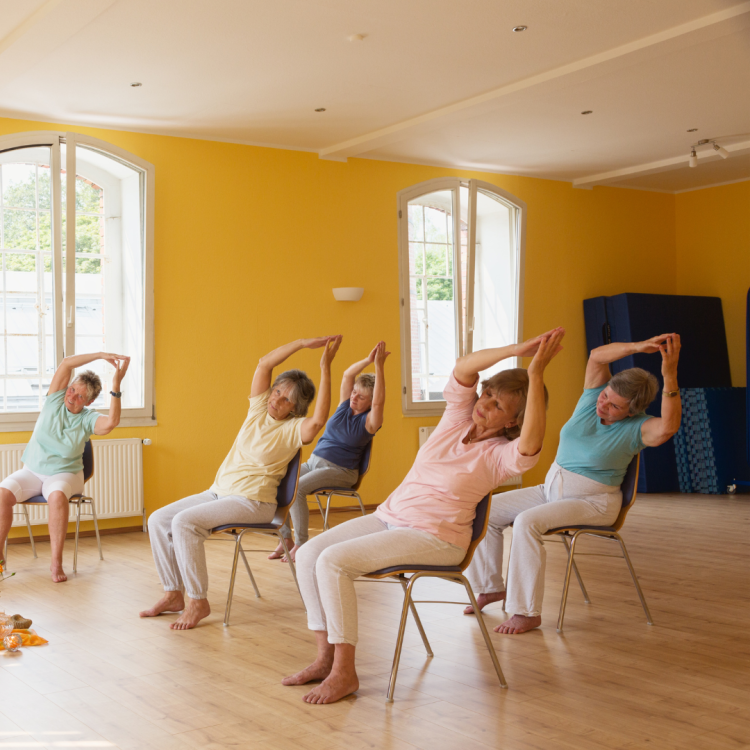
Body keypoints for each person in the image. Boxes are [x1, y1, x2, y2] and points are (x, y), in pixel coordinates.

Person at [283, 327, 565, 704]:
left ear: (514, 421)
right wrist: (519, 350)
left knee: (333, 563)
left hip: (437, 537)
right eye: (488, 394)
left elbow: (531, 443)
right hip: (391, 516)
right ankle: (324, 657)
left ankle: (344, 672)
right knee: (307, 555)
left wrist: (536, 374)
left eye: (499, 405)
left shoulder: (501, 456)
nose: (484, 403)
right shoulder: (456, 421)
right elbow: (465, 368)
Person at [464, 333, 682, 634]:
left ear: (632, 412)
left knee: (527, 522)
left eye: (614, 407)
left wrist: (669, 372)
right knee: (483, 509)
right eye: (606, 395)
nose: (603, 406)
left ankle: (526, 612)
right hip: (551, 491)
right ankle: (490, 586)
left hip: (593, 503)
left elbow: (669, 425)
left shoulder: (640, 429)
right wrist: (636, 347)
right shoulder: (592, 397)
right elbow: (596, 355)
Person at [139, 336, 342, 630]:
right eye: (277, 392)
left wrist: (325, 366)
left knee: (184, 523)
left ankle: (198, 600)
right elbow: (264, 363)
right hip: (219, 493)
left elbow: (319, 418)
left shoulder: (293, 429)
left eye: (287, 399)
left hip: (254, 502)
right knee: (159, 519)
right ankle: (173, 593)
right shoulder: (257, 410)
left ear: (295, 409)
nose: (276, 399)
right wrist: (301, 344)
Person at [0, 352, 130, 582]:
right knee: (2, 494)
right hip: (32, 471)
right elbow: (67, 362)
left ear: (89, 402)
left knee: (57, 496)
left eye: (80, 396)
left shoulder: (88, 419)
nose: (72, 397)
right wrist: (100, 355)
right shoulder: (54, 399)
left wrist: (116, 385)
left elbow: (111, 422)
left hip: (65, 474)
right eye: (72, 389)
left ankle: (56, 563)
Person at [269, 341, 389, 563]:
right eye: (354, 393)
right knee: (279, 480)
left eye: (361, 397)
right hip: (315, 462)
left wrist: (379, 367)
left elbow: (381, 401)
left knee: (299, 489)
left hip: (341, 471)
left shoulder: (370, 421)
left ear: (371, 403)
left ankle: (302, 543)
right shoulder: (345, 405)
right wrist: (368, 360)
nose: (354, 397)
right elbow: (347, 375)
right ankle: (285, 538)